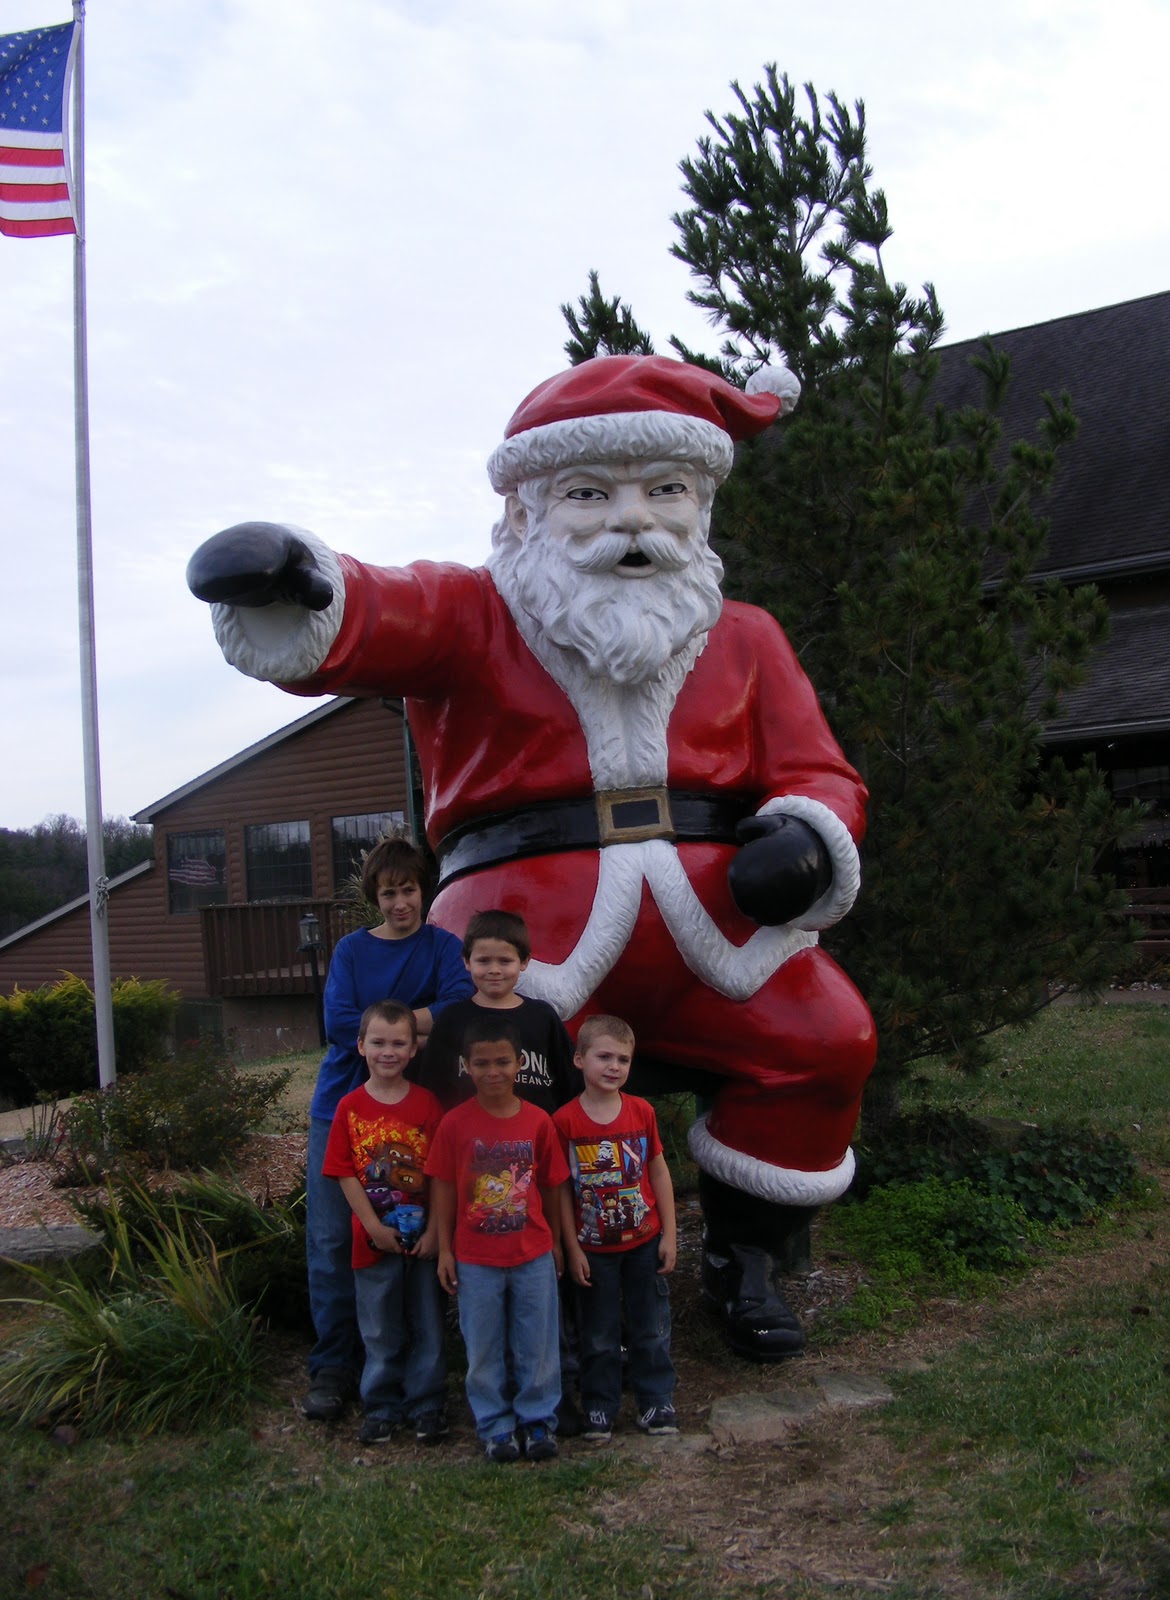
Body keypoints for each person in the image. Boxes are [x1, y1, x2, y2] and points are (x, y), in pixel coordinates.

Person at [188, 354, 878, 1361]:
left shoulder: (747, 638)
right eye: (592, 494)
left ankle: (749, 1258)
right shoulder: (474, 617)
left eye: (667, 492)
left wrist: (808, 838)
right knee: (481, 1063)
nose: (633, 521)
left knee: (825, 1037)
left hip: (715, 921)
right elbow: (377, 612)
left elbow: (823, 768)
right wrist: (306, 582)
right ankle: (517, 1273)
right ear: (528, 510)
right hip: (522, 920)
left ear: (701, 504)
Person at [302, 835, 474, 1422]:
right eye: (388, 893)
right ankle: (334, 1364)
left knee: (415, 1231)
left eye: (409, 891)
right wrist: (411, 1028)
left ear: (424, 891)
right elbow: (338, 1022)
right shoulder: (352, 951)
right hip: (342, 1104)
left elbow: (458, 1004)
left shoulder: (444, 946)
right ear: (374, 897)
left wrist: (386, 1032)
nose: (400, 903)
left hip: (414, 1112)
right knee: (331, 1241)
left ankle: (413, 1360)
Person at [426, 1012, 570, 1462]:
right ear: (466, 1067)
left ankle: (538, 1421)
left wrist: (559, 1245)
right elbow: (444, 1186)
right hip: (476, 1258)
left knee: (538, 1343)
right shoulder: (455, 1123)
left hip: (533, 1254)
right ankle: (495, 1426)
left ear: (519, 1063)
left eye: (503, 1062)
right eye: (482, 1063)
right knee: (483, 1346)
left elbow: (553, 1186)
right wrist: (445, 1247)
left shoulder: (539, 1121)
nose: (493, 1072)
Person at [320, 1000, 446, 1445]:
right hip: (371, 1243)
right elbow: (341, 1172)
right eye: (378, 1042)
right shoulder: (350, 1108)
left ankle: (427, 1402)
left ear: (414, 1049)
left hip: (423, 1241)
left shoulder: (428, 1104)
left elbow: (440, 1174)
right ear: (360, 1046)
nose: (387, 1051)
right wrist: (372, 1227)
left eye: (398, 1043)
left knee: (427, 1322)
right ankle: (381, 1404)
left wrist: (435, 1232)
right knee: (379, 1327)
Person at [554, 1014, 677, 1441]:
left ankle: (656, 1402)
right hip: (594, 1250)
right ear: (579, 1059)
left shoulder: (641, 1112)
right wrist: (571, 1248)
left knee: (650, 1328)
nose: (613, 1066)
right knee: (599, 1335)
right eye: (603, 1056)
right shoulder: (565, 1121)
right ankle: (599, 1407)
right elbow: (562, 1191)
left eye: (623, 1059)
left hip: (644, 1241)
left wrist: (671, 1236)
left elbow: (658, 1172)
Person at [415, 908, 574, 1113]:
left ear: (524, 961)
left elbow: (570, 1085)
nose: (494, 970)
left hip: (537, 1139)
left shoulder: (543, 1018)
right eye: (483, 960)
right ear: (466, 961)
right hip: (468, 1139)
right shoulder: (451, 1019)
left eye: (505, 961)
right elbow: (433, 1091)